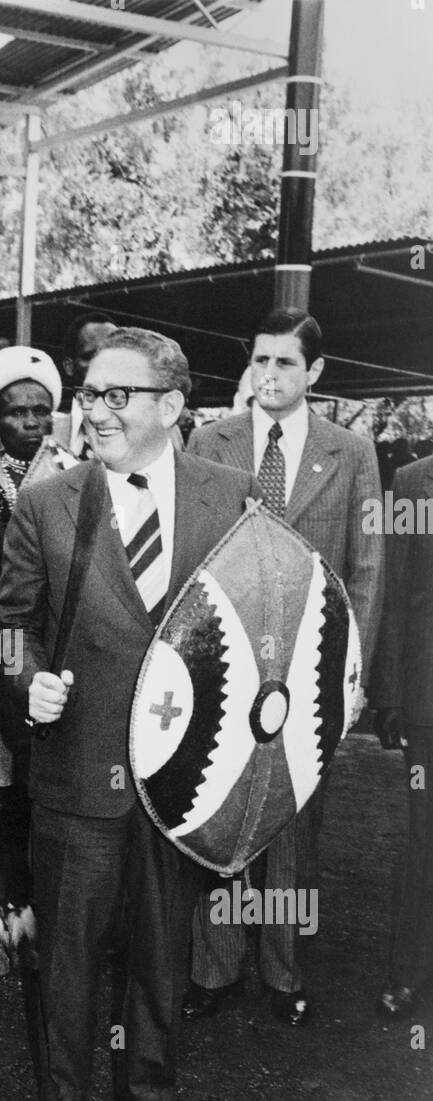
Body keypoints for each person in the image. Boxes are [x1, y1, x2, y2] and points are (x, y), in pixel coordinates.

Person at [0, 326, 256, 1101]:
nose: (95, 410)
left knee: (161, 946)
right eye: (90, 393)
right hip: (77, 770)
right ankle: (61, 1098)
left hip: (187, 775)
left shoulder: (236, 497)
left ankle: (151, 1091)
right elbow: (9, 629)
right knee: (66, 949)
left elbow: (265, 626)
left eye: (119, 395)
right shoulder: (45, 503)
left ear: (172, 406)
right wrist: (25, 681)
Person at [184, 308, 384, 1026]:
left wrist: (350, 675)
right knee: (220, 806)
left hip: (311, 667)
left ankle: (282, 971)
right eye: (260, 361)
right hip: (230, 660)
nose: (268, 376)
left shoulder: (350, 453)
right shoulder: (209, 441)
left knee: (294, 820)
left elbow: (365, 571)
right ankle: (212, 968)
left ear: (315, 373)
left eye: (285, 364)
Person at [0, 346, 75, 978]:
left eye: (40, 410)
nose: (29, 422)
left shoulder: (77, 475)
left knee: (46, 784)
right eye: (14, 411)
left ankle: (42, 912)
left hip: (55, 647)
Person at [371, 454, 433, 1017]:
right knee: (425, 840)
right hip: (427, 703)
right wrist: (389, 692)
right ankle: (409, 974)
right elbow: (393, 589)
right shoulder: (414, 482)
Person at [51, 312, 118, 459]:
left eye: (111, 355)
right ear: (69, 366)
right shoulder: (47, 435)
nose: (103, 363)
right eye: (90, 356)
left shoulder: (152, 429)